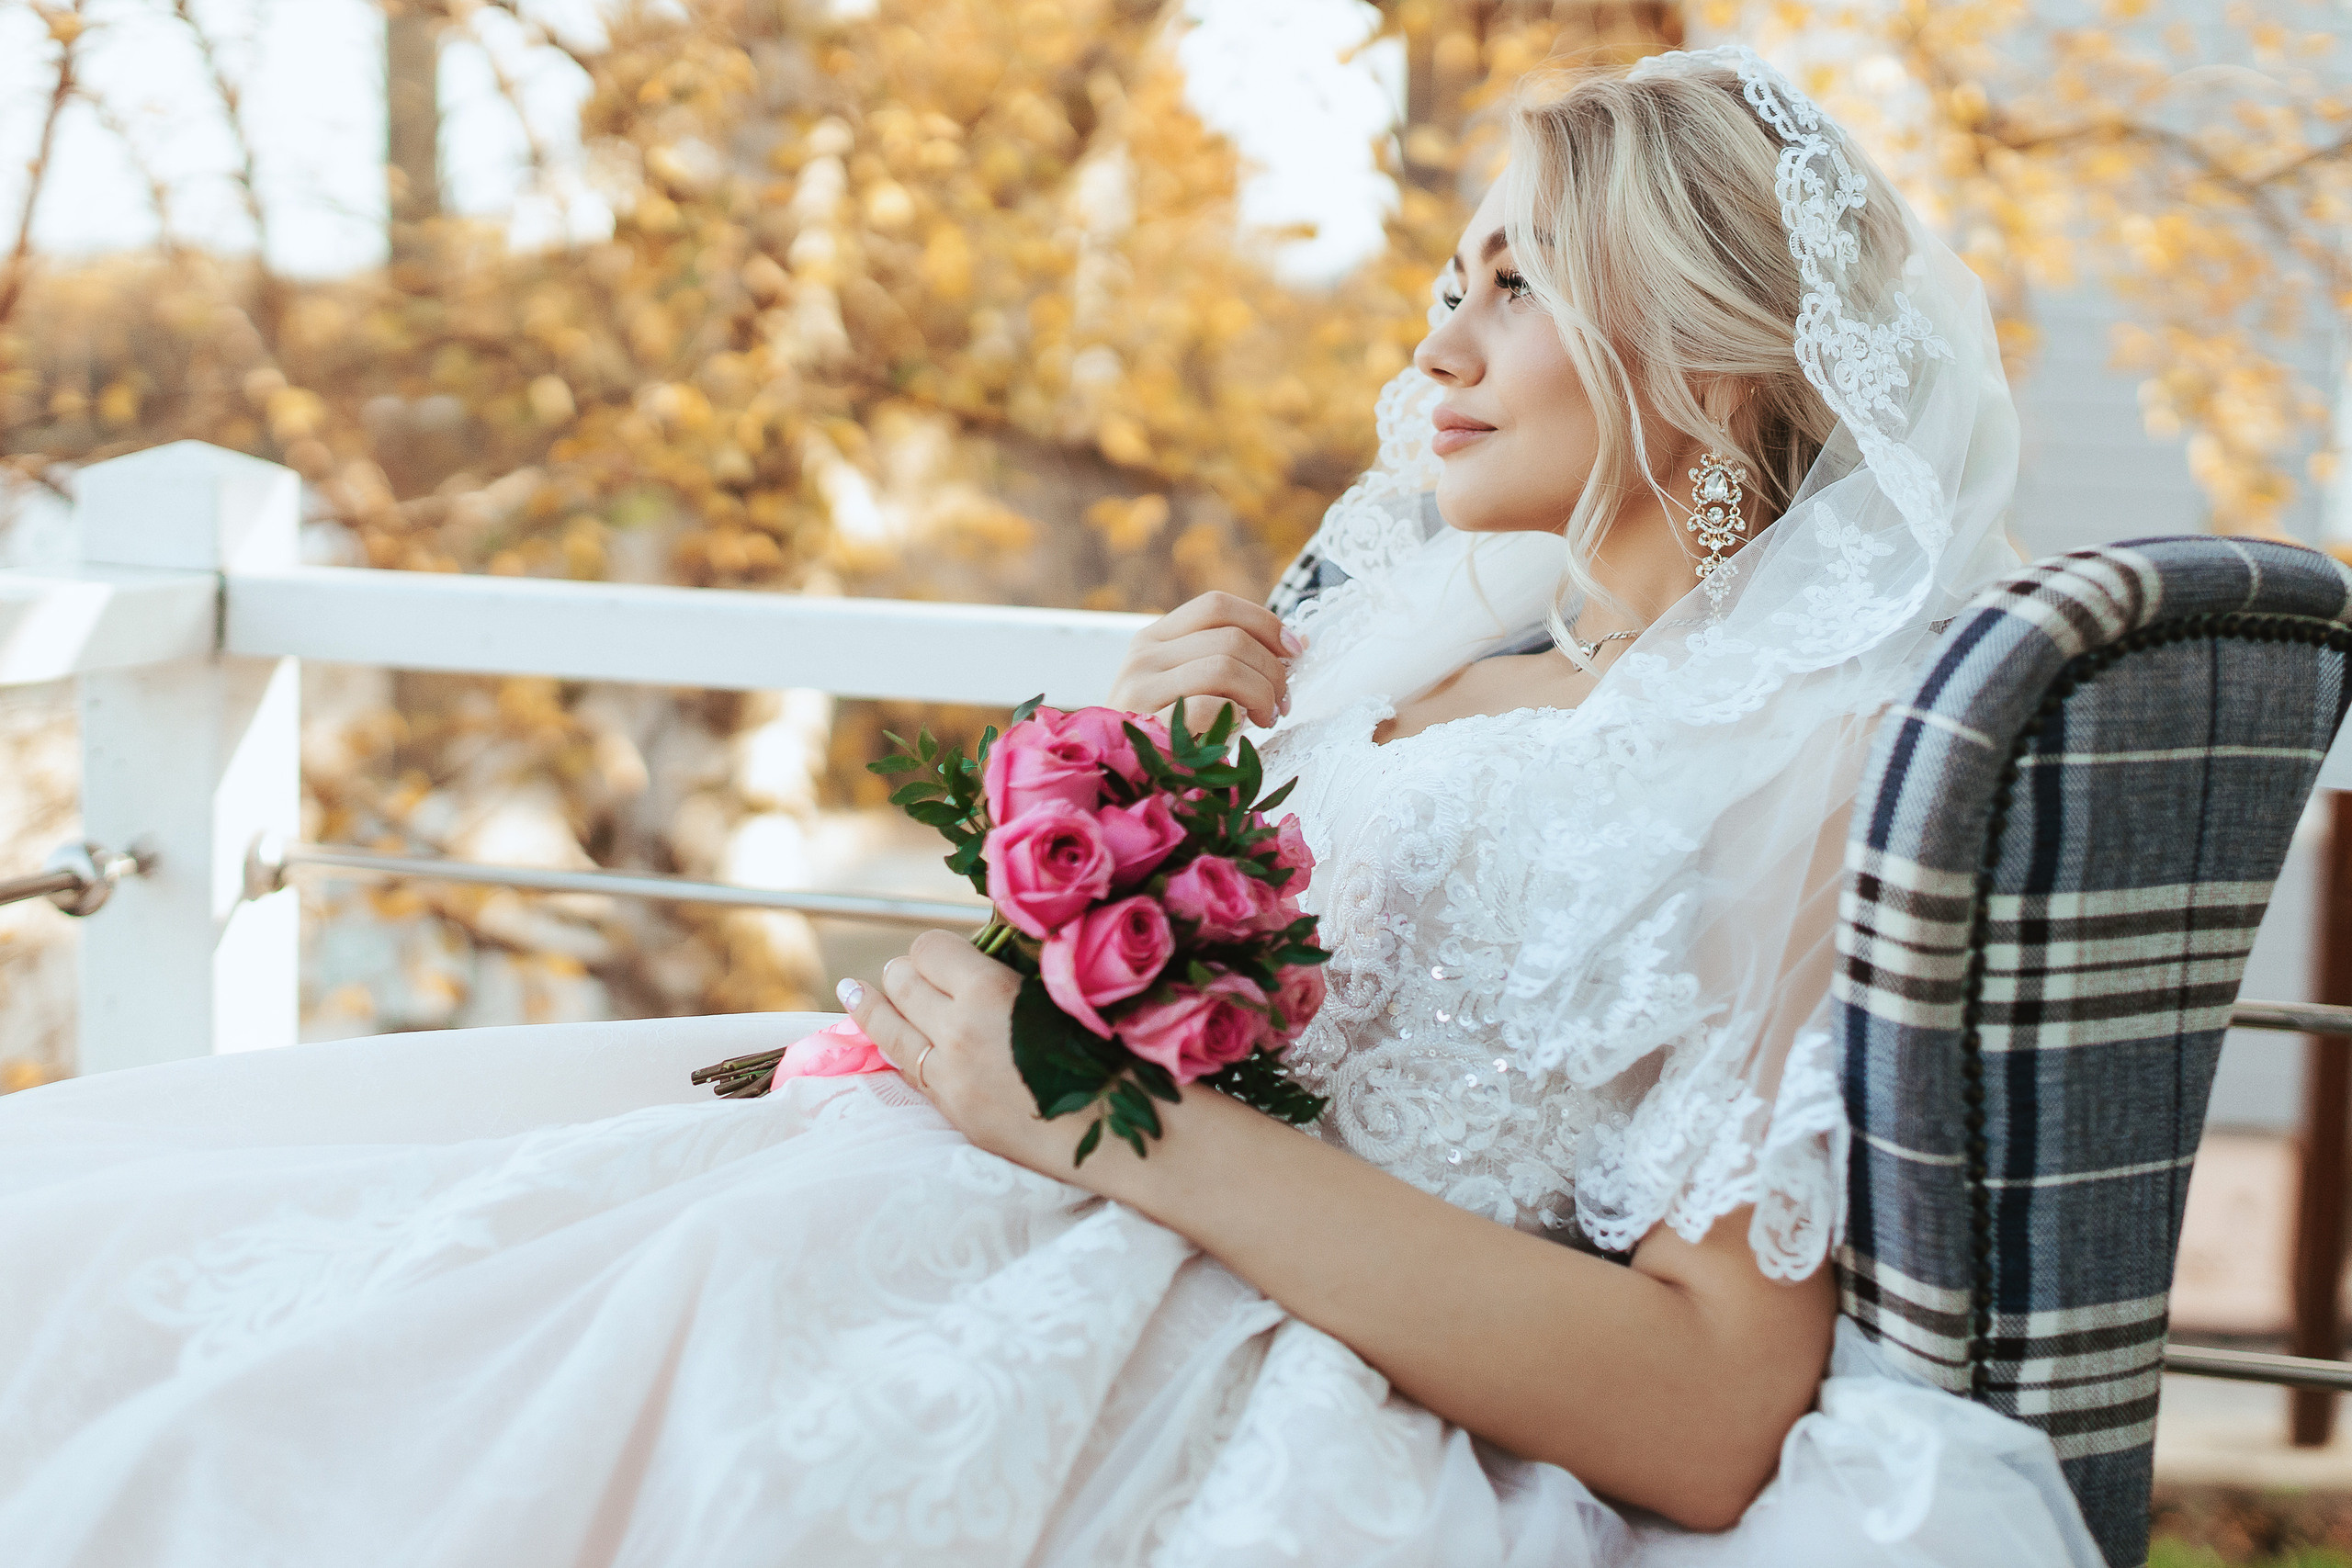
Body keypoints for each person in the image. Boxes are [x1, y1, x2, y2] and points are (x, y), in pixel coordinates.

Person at [0, 48, 2100, 1566]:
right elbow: (1244, 1011)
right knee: (105, 1233)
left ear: (1714, 360)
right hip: (963, 1200)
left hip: (1176, 1312)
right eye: (1444, 280)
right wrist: (1173, 779)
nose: (1438, 347)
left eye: (1517, 282)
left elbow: (1709, 1408)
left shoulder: (1803, 758)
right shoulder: (1425, 656)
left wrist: (1103, 1119)